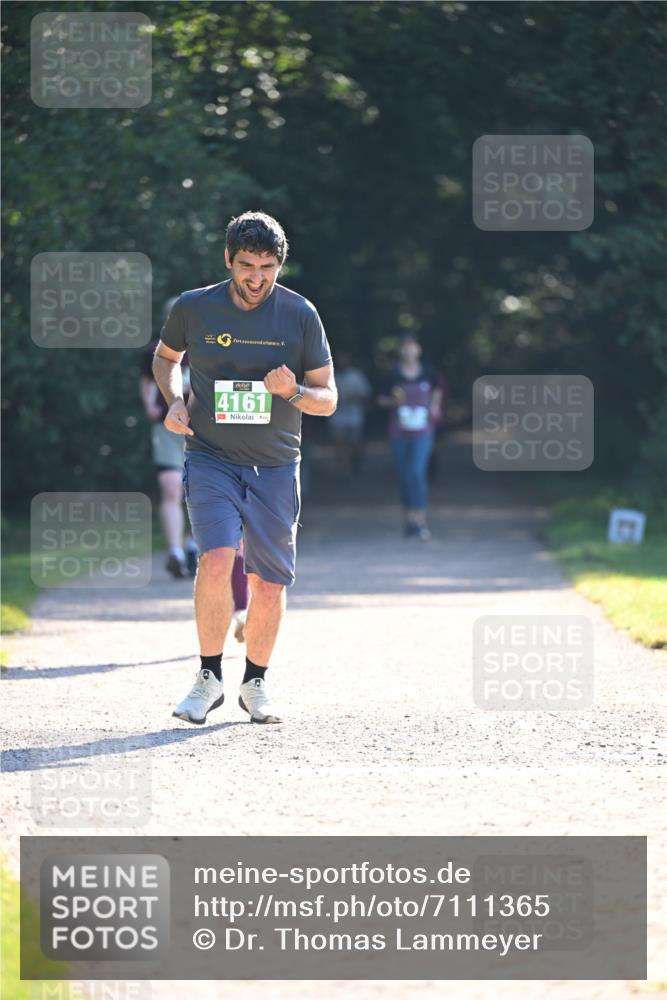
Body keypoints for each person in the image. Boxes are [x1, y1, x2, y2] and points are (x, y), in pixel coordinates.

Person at [152, 211, 337, 725]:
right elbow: (166, 359)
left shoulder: (300, 314)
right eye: (247, 265)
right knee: (215, 559)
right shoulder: (194, 307)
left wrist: (293, 391)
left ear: (280, 264)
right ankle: (208, 677)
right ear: (228, 260)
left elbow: (328, 399)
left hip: (276, 465)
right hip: (210, 455)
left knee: (268, 582)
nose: (256, 278)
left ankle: (255, 683)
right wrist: (173, 400)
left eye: (268, 267)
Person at [139, 299, 198, 579]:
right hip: (167, 426)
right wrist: (149, 405)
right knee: (172, 488)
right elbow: (147, 381)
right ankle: (175, 552)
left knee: (198, 489)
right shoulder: (155, 350)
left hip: (202, 428)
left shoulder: (207, 349)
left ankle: (193, 544)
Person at [378, 334, 445, 542]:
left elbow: (438, 390)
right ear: (401, 351)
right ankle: (409, 520)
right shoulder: (393, 375)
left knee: (417, 472)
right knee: (405, 474)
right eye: (405, 348)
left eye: (412, 347)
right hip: (399, 431)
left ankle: (420, 520)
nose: (409, 351)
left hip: (423, 431)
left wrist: (434, 406)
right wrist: (393, 402)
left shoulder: (428, 372)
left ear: (418, 350)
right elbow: (380, 399)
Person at [328, 351, 372, 477]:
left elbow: (366, 396)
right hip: (337, 417)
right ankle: (343, 472)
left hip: (355, 417)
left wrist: (354, 398)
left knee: (355, 445)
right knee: (340, 445)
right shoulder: (331, 376)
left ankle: (356, 466)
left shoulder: (356, 376)